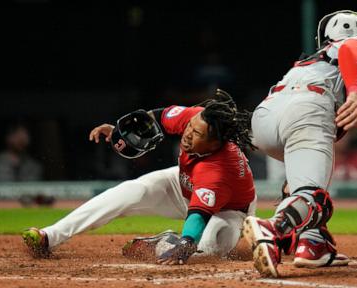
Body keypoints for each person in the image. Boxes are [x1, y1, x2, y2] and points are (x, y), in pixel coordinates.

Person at [22, 89, 257, 265]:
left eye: (196, 134)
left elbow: (198, 215)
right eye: (190, 126)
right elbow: (153, 118)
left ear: (215, 143)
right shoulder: (197, 118)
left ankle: (164, 241)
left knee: (207, 248)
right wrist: (118, 130)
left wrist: (186, 241)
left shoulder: (217, 170)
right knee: (131, 190)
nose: (187, 133)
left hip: (227, 209)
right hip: (183, 183)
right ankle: (49, 236)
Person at [243, 10, 357, 277]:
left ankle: (312, 243)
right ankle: (273, 228)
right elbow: (353, 48)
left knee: (303, 182)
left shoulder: (313, 59)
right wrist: (353, 95)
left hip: (265, 117)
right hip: (309, 110)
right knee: (314, 197)